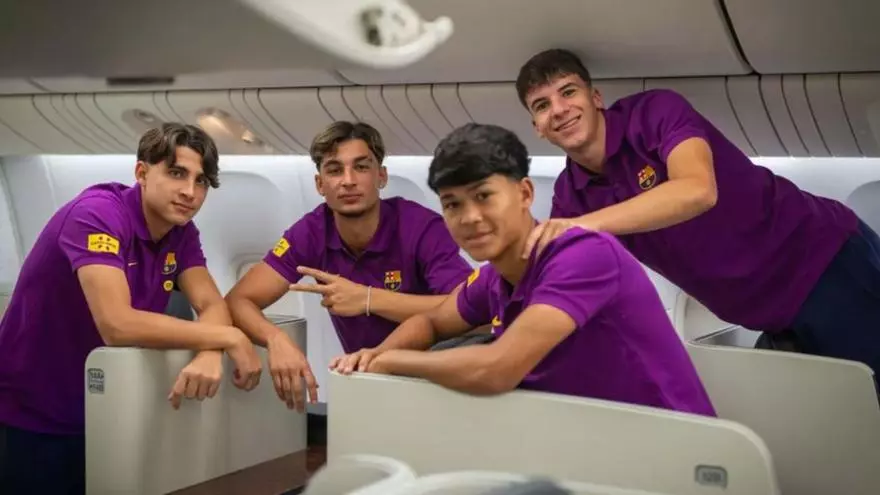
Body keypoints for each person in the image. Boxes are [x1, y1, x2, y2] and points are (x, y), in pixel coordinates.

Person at [516, 48, 880, 373]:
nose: (559, 109)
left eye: (568, 92)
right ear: (537, 128)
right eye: (542, 105)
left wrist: (584, 226)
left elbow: (698, 190)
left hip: (822, 263)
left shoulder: (653, 113)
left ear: (595, 97)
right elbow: (559, 273)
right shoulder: (570, 195)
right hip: (765, 312)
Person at [330, 123, 716, 417]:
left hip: (670, 446)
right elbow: (431, 322)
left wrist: (391, 362)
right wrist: (372, 354)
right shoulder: (493, 279)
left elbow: (497, 369)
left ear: (525, 193)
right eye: (452, 204)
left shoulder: (582, 256)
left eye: (483, 196)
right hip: (586, 439)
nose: (470, 217)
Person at [0, 123, 262, 494]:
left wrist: (209, 352)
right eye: (176, 173)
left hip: (105, 404)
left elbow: (210, 303)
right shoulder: (96, 215)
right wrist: (228, 337)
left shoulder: (181, 233)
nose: (190, 192)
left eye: (201, 181)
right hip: (32, 409)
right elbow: (117, 325)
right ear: (141, 172)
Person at [226, 121, 474, 412]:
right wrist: (276, 339)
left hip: (439, 381)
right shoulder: (311, 232)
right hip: (367, 380)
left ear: (381, 176)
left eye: (361, 167)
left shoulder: (420, 227)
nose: (348, 181)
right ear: (320, 184)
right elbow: (238, 300)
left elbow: (471, 307)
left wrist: (367, 299)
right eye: (334, 170)